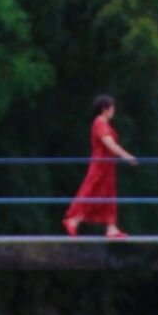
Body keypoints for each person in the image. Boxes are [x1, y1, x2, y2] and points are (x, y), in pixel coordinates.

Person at [65, 95, 137, 238]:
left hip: (107, 165)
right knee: (91, 192)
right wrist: (127, 156)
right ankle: (73, 220)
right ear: (105, 109)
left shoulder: (104, 124)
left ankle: (112, 227)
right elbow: (109, 144)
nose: (113, 110)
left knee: (108, 194)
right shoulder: (100, 124)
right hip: (100, 165)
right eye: (112, 107)